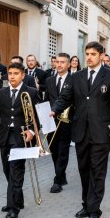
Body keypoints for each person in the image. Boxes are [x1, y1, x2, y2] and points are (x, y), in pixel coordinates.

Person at [51, 41, 110, 218]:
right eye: (87, 53)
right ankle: (86, 204)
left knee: (97, 172)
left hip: (102, 132)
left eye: (93, 54)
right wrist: (55, 110)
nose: (89, 57)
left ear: (101, 55)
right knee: (84, 170)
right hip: (81, 131)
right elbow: (66, 97)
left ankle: (94, 211)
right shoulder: (77, 77)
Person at [0, 62, 40, 218]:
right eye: (10, 73)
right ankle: (17, 199)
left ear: (23, 75)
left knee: (16, 171)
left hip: (21, 137)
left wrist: (31, 131)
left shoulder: (32, 92)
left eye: (16, 73)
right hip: (4, 136)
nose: (12, 76)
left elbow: (38, 116)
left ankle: (13, 207)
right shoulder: (1, 92)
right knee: (7, 171)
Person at [44, 53, 72, 193]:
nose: (59, 64)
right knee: (53, 149)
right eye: (57, 62)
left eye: (62, 62)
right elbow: (47, 99)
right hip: (51, 120)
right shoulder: (49, 80)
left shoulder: (74, 79)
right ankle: (62, 174)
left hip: (67, 121)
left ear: (68, 64)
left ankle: (57, 180)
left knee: (63, 150)